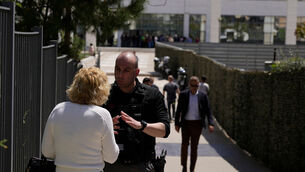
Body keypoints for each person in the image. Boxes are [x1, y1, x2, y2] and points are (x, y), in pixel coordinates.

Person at [42, 67, 119, 172]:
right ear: (103, 90)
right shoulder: (102, 115)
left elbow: (47, 151)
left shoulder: (58, 109)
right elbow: (111, 157)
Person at [103, 51, 170, 172]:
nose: (120, 74)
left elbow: (164, 130)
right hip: (110, 165)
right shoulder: (104, 95)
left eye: (126, 70)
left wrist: (141, 126)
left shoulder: (152, 95)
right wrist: (105, 126)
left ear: (137, 72)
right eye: (117, 69)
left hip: (141, 164)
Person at [175, 76, 214, 172]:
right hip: (185, 124)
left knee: (194, 147)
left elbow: (208, 110)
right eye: (192, 85)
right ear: (189, 85)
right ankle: (184, 166)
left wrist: (210, 123)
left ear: (198, 85)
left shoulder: (203, 96)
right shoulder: (183, 95)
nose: (194, 87)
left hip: (197, 124)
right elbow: (178, 110)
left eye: (196, 85)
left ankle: (192, 169)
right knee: (184, 145)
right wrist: (177, 123)